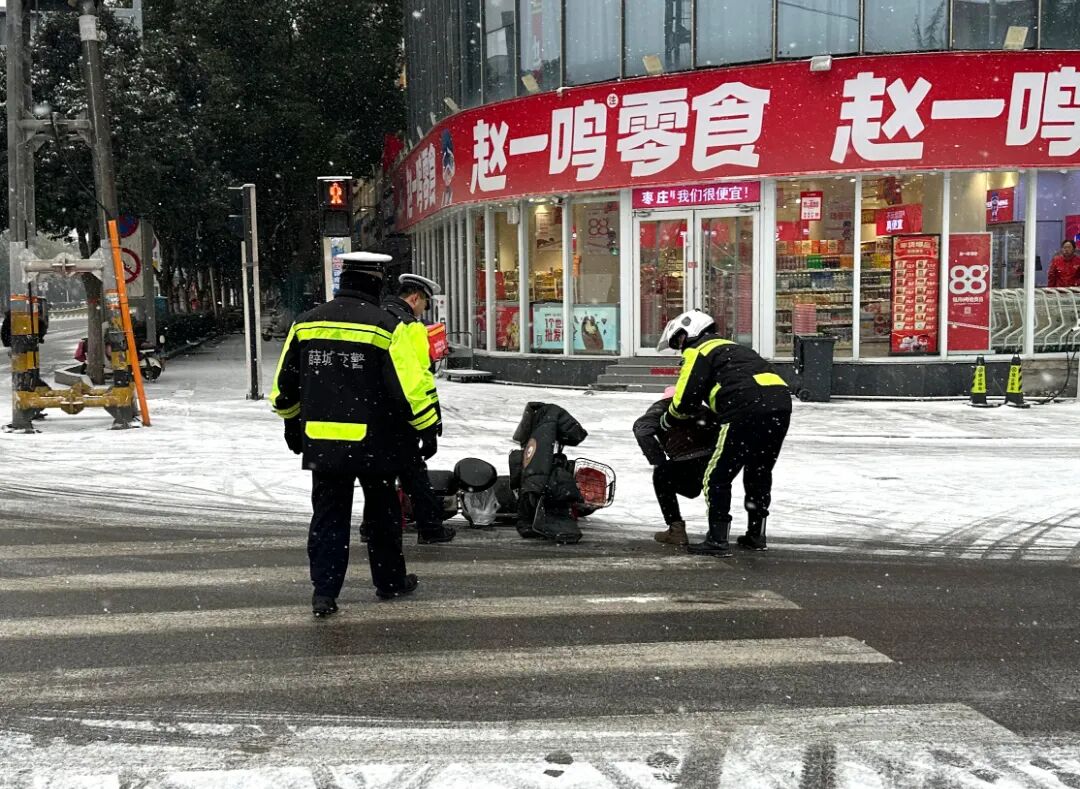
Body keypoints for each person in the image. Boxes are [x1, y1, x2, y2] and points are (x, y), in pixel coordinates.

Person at [270, 252, 440, 617]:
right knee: (382, 515)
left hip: (324, 443)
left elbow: (284, 386)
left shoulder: (306, 323)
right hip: (376, 442)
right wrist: (427, 428)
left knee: (328, 517)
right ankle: (389, 582)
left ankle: (324, 593)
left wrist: (291, 422)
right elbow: (410, 387)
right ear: (376, 282)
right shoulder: (386, 326)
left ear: (343, 280)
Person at [658, 310, 792, 556]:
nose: (680, 348)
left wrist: (668, 418)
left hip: (744, 408)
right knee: (759, 471)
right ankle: (756, 535)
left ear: (691, 332)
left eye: (678, 340)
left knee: (717, 476)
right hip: (779, 405)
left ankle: (717, 539)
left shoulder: (699, 350)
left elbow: (685, 399)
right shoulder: (736, 348)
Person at [381, 272, 456, 544]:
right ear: (414, 298)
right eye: (425, 303)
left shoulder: (377, 318)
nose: (424, 309)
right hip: (403, 415)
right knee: (414, 474)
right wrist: (429, 423)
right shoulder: (409, 326)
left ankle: (373, 525)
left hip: (374, 412)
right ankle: (430, 528)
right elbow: (419, 379)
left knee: (381, 476)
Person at [634, 385, 721, 546]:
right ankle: (718, 532)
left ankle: (676, 529)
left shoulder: (661, 408)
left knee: (661, 477)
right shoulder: (702, 409)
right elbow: (720, 429)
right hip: (709, 461)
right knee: (713, 489)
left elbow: (642, 431)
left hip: (684, 460)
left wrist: (659, 461)